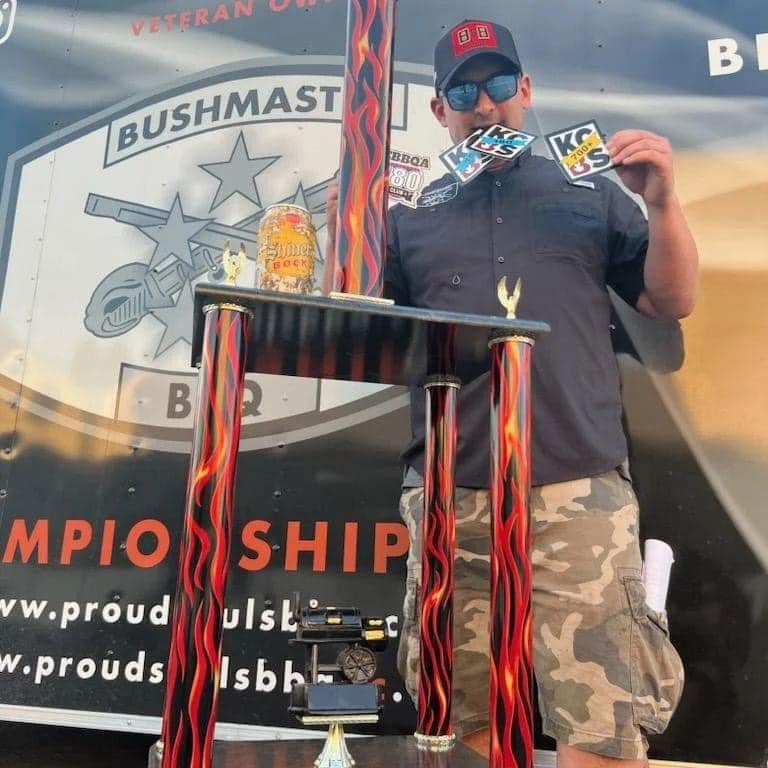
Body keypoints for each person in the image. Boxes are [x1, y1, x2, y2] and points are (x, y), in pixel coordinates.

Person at [325, 18, 698, 768]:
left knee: (604, 723)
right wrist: (347, 224)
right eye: (463, 92)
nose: (484, 104)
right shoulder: (406, 213)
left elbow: (670, 300)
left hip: (577, 487)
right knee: (461, 721)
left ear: (525, 90)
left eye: (498, 84)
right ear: (440, 110)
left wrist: (661, 203)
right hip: (451, 491)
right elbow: (353, 328)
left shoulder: (590, 192)